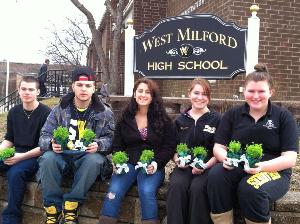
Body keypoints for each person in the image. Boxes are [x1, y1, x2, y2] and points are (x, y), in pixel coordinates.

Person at [207, 63, 299, 224]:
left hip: (273, 171)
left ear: (271, 92)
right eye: (251, 91)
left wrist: (262, 167)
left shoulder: (284, 117)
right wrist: (225, 158)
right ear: (244, 91)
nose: (256, 96)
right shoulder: (232, 114)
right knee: (216, 176)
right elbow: (219, 147)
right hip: (239, 165)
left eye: (261, 91)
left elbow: (290, 158)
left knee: (249, 189)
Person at [38, 66, 115, 224]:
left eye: (88, 86)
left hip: (87, 158)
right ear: (73, 86)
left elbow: (111, 138)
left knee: (95, 160)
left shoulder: (105, 112)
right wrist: (51, 143)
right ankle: (53, 209)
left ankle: (71, 206)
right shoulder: (60, 109)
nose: (83, 89)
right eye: (79, 85)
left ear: (94, 88)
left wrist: (98, 145)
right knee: (47, 159)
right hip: (63, 156)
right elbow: (44, 135)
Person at [99, 78, 176, 224]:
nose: (143, 95)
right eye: (140, 91)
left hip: (152, 166)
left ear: (153, 96)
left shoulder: (164, 119)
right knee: (114, 191)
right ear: (134, 94)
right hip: (128, 163)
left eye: (148, 92)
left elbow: (169, 146)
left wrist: (156, 163)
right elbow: (117, 145)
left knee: (147, 192)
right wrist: (118, 160)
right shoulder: (125, 117)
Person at [167, 78, 221, 224]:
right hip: (184, 167)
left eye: (204, 94)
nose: (200, 97)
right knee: (177, 186)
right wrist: (178, 160)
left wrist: (205, 166)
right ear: (189, 93)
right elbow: (173, 148)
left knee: (198, 189)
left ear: (209, 97)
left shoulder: (217, 119)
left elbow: (220, 149)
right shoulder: (180, 120)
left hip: (208, 166)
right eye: (196, 93)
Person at [0, 76, 51, 224]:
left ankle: (11, 218)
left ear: (38, 92)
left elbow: (44, 146)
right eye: (23, 89)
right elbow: (9, 139)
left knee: (15, 173)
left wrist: (20, 158)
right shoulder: (14, 112)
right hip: (15, 151)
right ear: (19, 91)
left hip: (35, 155)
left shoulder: (46, 113)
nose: (27, 92)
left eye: (31, 89)